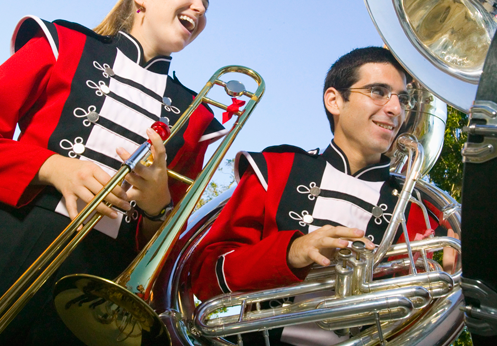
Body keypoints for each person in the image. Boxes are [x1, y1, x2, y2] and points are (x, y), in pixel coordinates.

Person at [0, 0, 224, 346]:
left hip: (96, 288)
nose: (199, 8)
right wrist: (52, 167)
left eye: (206, 4)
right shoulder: (64, 43)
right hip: (5, 243)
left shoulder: (197, 116)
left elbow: (169, 245)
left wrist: (156, 205)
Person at [191, 47, 457, 346]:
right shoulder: (278, 170)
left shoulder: (417, 210)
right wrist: (292, 252)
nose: (396, 109)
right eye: (378, 91)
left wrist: (446, 285)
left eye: (403, 99)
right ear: (335, 100)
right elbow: (205, 275)